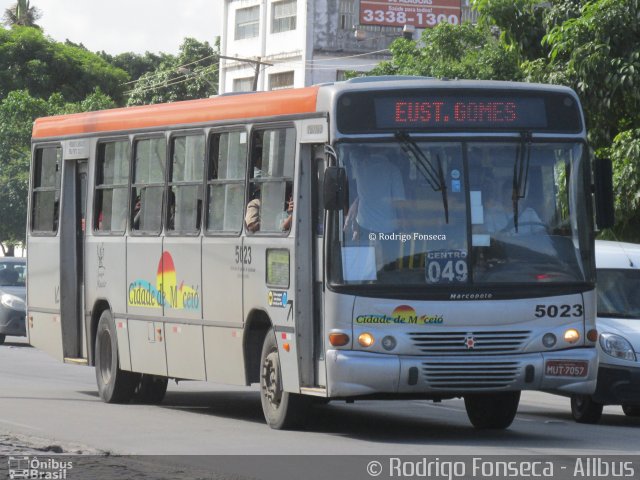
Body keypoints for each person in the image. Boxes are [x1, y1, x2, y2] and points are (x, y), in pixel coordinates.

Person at [344, 152, 405, 240]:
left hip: (364, 227)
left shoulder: (360, 167)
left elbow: (362, 195)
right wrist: (403, 227)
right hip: (387, 230)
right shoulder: (393, 170)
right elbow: (399, 203)